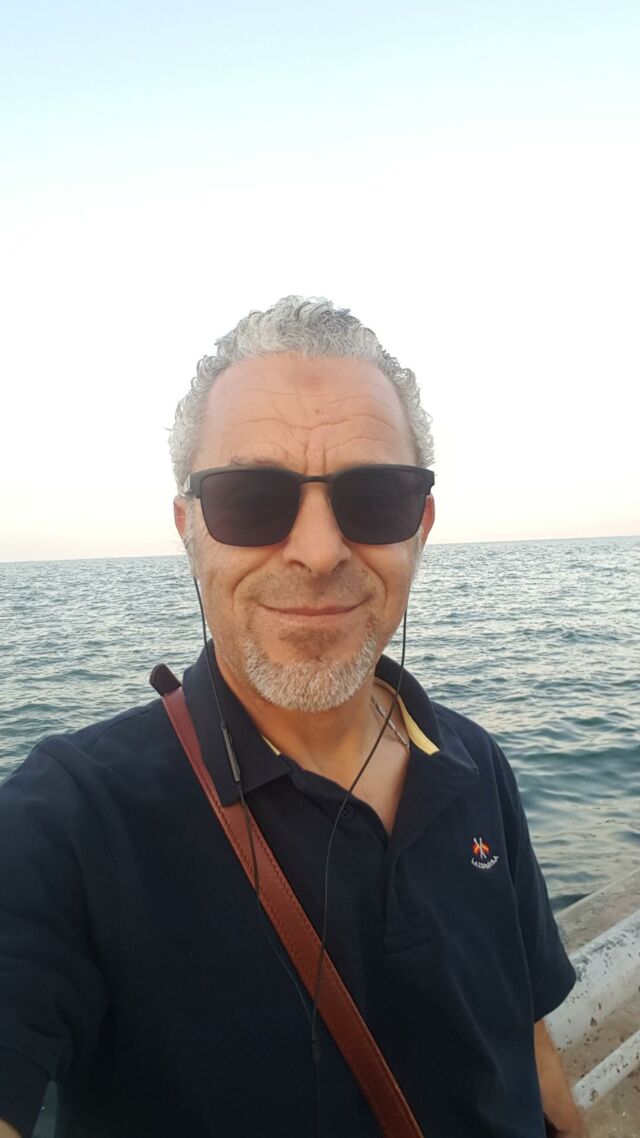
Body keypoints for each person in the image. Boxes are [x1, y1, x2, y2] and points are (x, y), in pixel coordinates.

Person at [0, 296, 584, 1138]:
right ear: (190, 529)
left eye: (374, 497)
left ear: (420, 527)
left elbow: (524, 1041)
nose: (318, 551)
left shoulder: (475, 764)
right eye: (251, 499)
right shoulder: (69, 821)